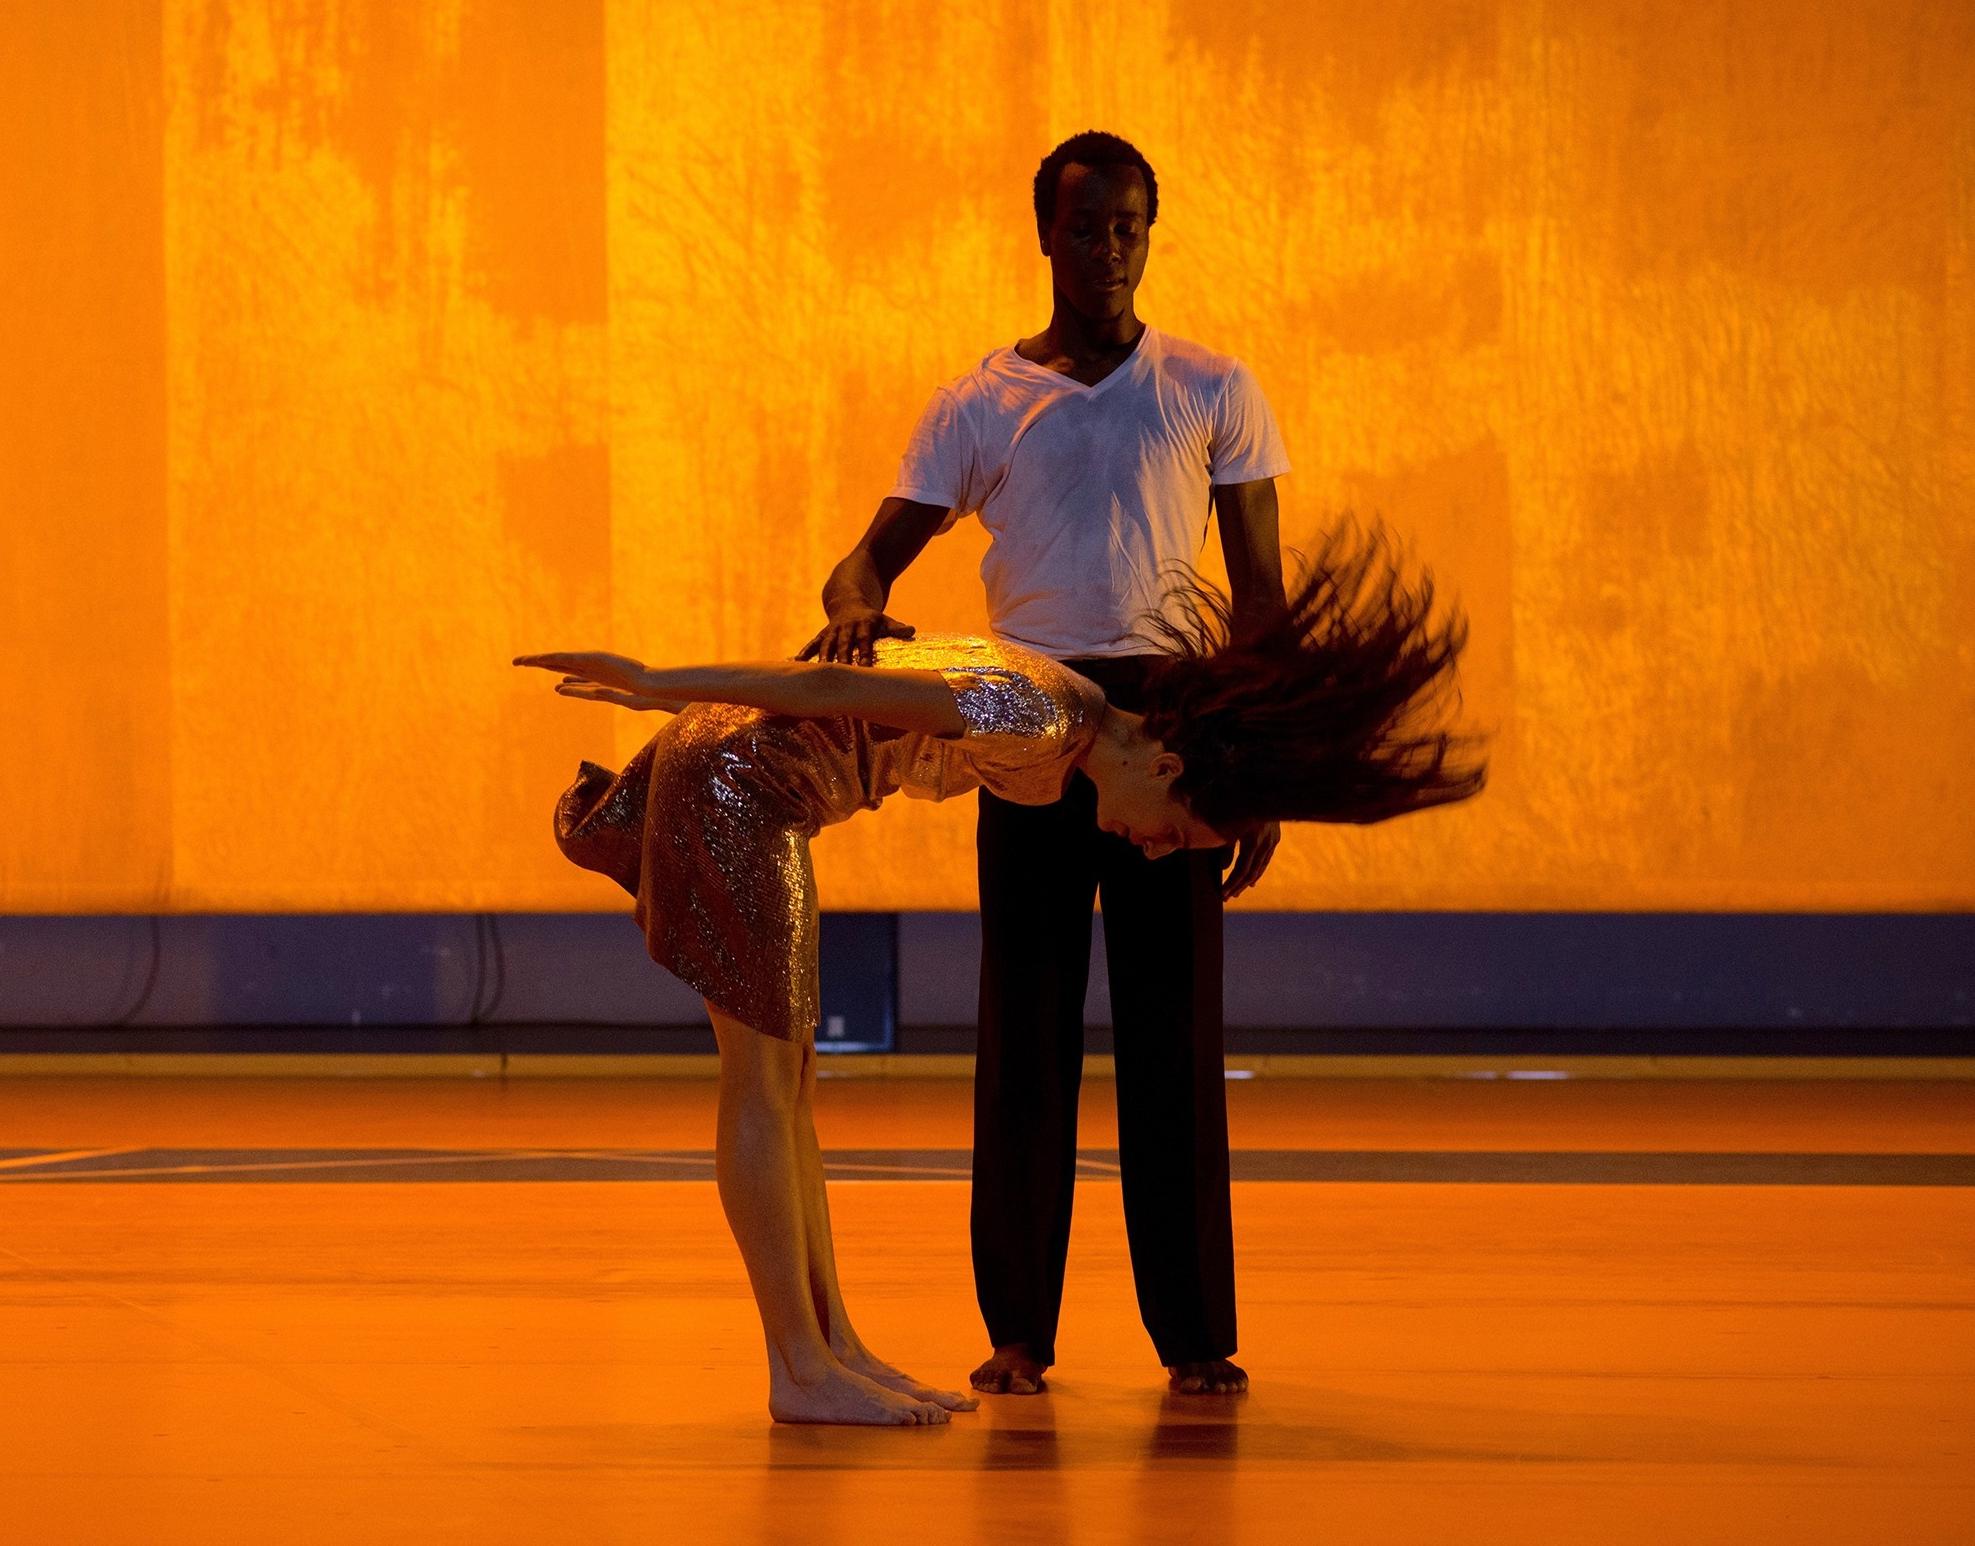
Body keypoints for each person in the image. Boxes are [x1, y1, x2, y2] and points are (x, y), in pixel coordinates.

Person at [520, 527, 1484, 1426]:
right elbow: (826, 687)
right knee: (764, 1082)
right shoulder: (1040, 713)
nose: (1152, 850)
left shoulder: (1072, 717)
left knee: (790, 1080)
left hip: (755, 792)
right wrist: (653, 681)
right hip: (731, 787)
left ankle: (832, 1347)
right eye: (1175, 835)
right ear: (1167, 768)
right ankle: (800, 1369)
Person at [806, 128, 1289, 1397]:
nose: (1108, 248)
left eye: (1128, 226)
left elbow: (1261, 602)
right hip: (1025, 720)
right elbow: (865, 561)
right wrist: (855, 608)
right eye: (1085, 227)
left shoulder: (1211, 387)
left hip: (1165, 730)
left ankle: (1195, 1336)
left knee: (1174, 1029)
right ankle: (1016, 1329)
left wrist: (1255, 765)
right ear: (1045, 236)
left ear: (1149, 234)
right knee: (1023, 1023)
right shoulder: (981, 402)